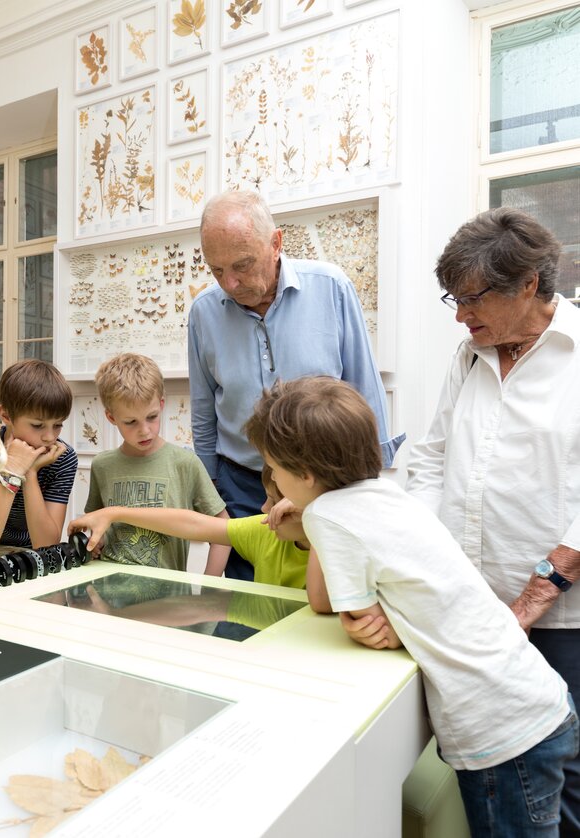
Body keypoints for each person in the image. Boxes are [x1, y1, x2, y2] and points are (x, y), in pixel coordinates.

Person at [252, 375, 578, 837]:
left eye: (273, 469)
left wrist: (314, 523)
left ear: (304, 474)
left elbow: (333, 607)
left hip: (501, 736)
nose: (274, 482)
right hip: (539, 700)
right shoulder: (388, 493)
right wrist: (308, 517)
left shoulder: (329, 516)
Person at [406, 207, 580, 836]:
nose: (459, 314)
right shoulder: (470, 357)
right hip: (473, 609)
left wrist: (533, 599)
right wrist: (413, 552)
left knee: (561, 782)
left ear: (529, 284)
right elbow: (430, 459)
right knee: (493, 781)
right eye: (453, 297)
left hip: (561, 619)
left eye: (472, 298)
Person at [189, 189, 402, 581]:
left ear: (275, 244)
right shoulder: (204, 312)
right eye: (216, 270)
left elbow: (363, 391)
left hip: (321, 481)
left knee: (323, 600)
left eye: (242, 264)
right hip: (242, 485)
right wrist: (210, 488)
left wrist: (368, 489)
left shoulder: (331, 287)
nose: (231, 283)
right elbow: (204, 409)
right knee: (244, 606)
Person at [85, 353, 228, 573]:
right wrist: (97, 541)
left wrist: (210, 587)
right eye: (131, 422)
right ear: (111, 418)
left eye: (151, 417)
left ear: (161, 405)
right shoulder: (102, 465)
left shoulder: (185, 463)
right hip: (108, 593)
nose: (145, 430)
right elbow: (97, 525)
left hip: (168, 600)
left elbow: (223, 530)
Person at [71, 463, 309, 589]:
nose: (264, 509)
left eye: (276, 502)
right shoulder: (262, 530)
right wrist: (114, 513)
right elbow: (191, 523)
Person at [0, 359, 77, 559]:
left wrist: (30, 471)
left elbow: (46, 546)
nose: (49, 437)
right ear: (6, 415)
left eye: (58, 425)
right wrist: (12, 471)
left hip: (28, 557)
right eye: (37, 425)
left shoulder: (62, 458)